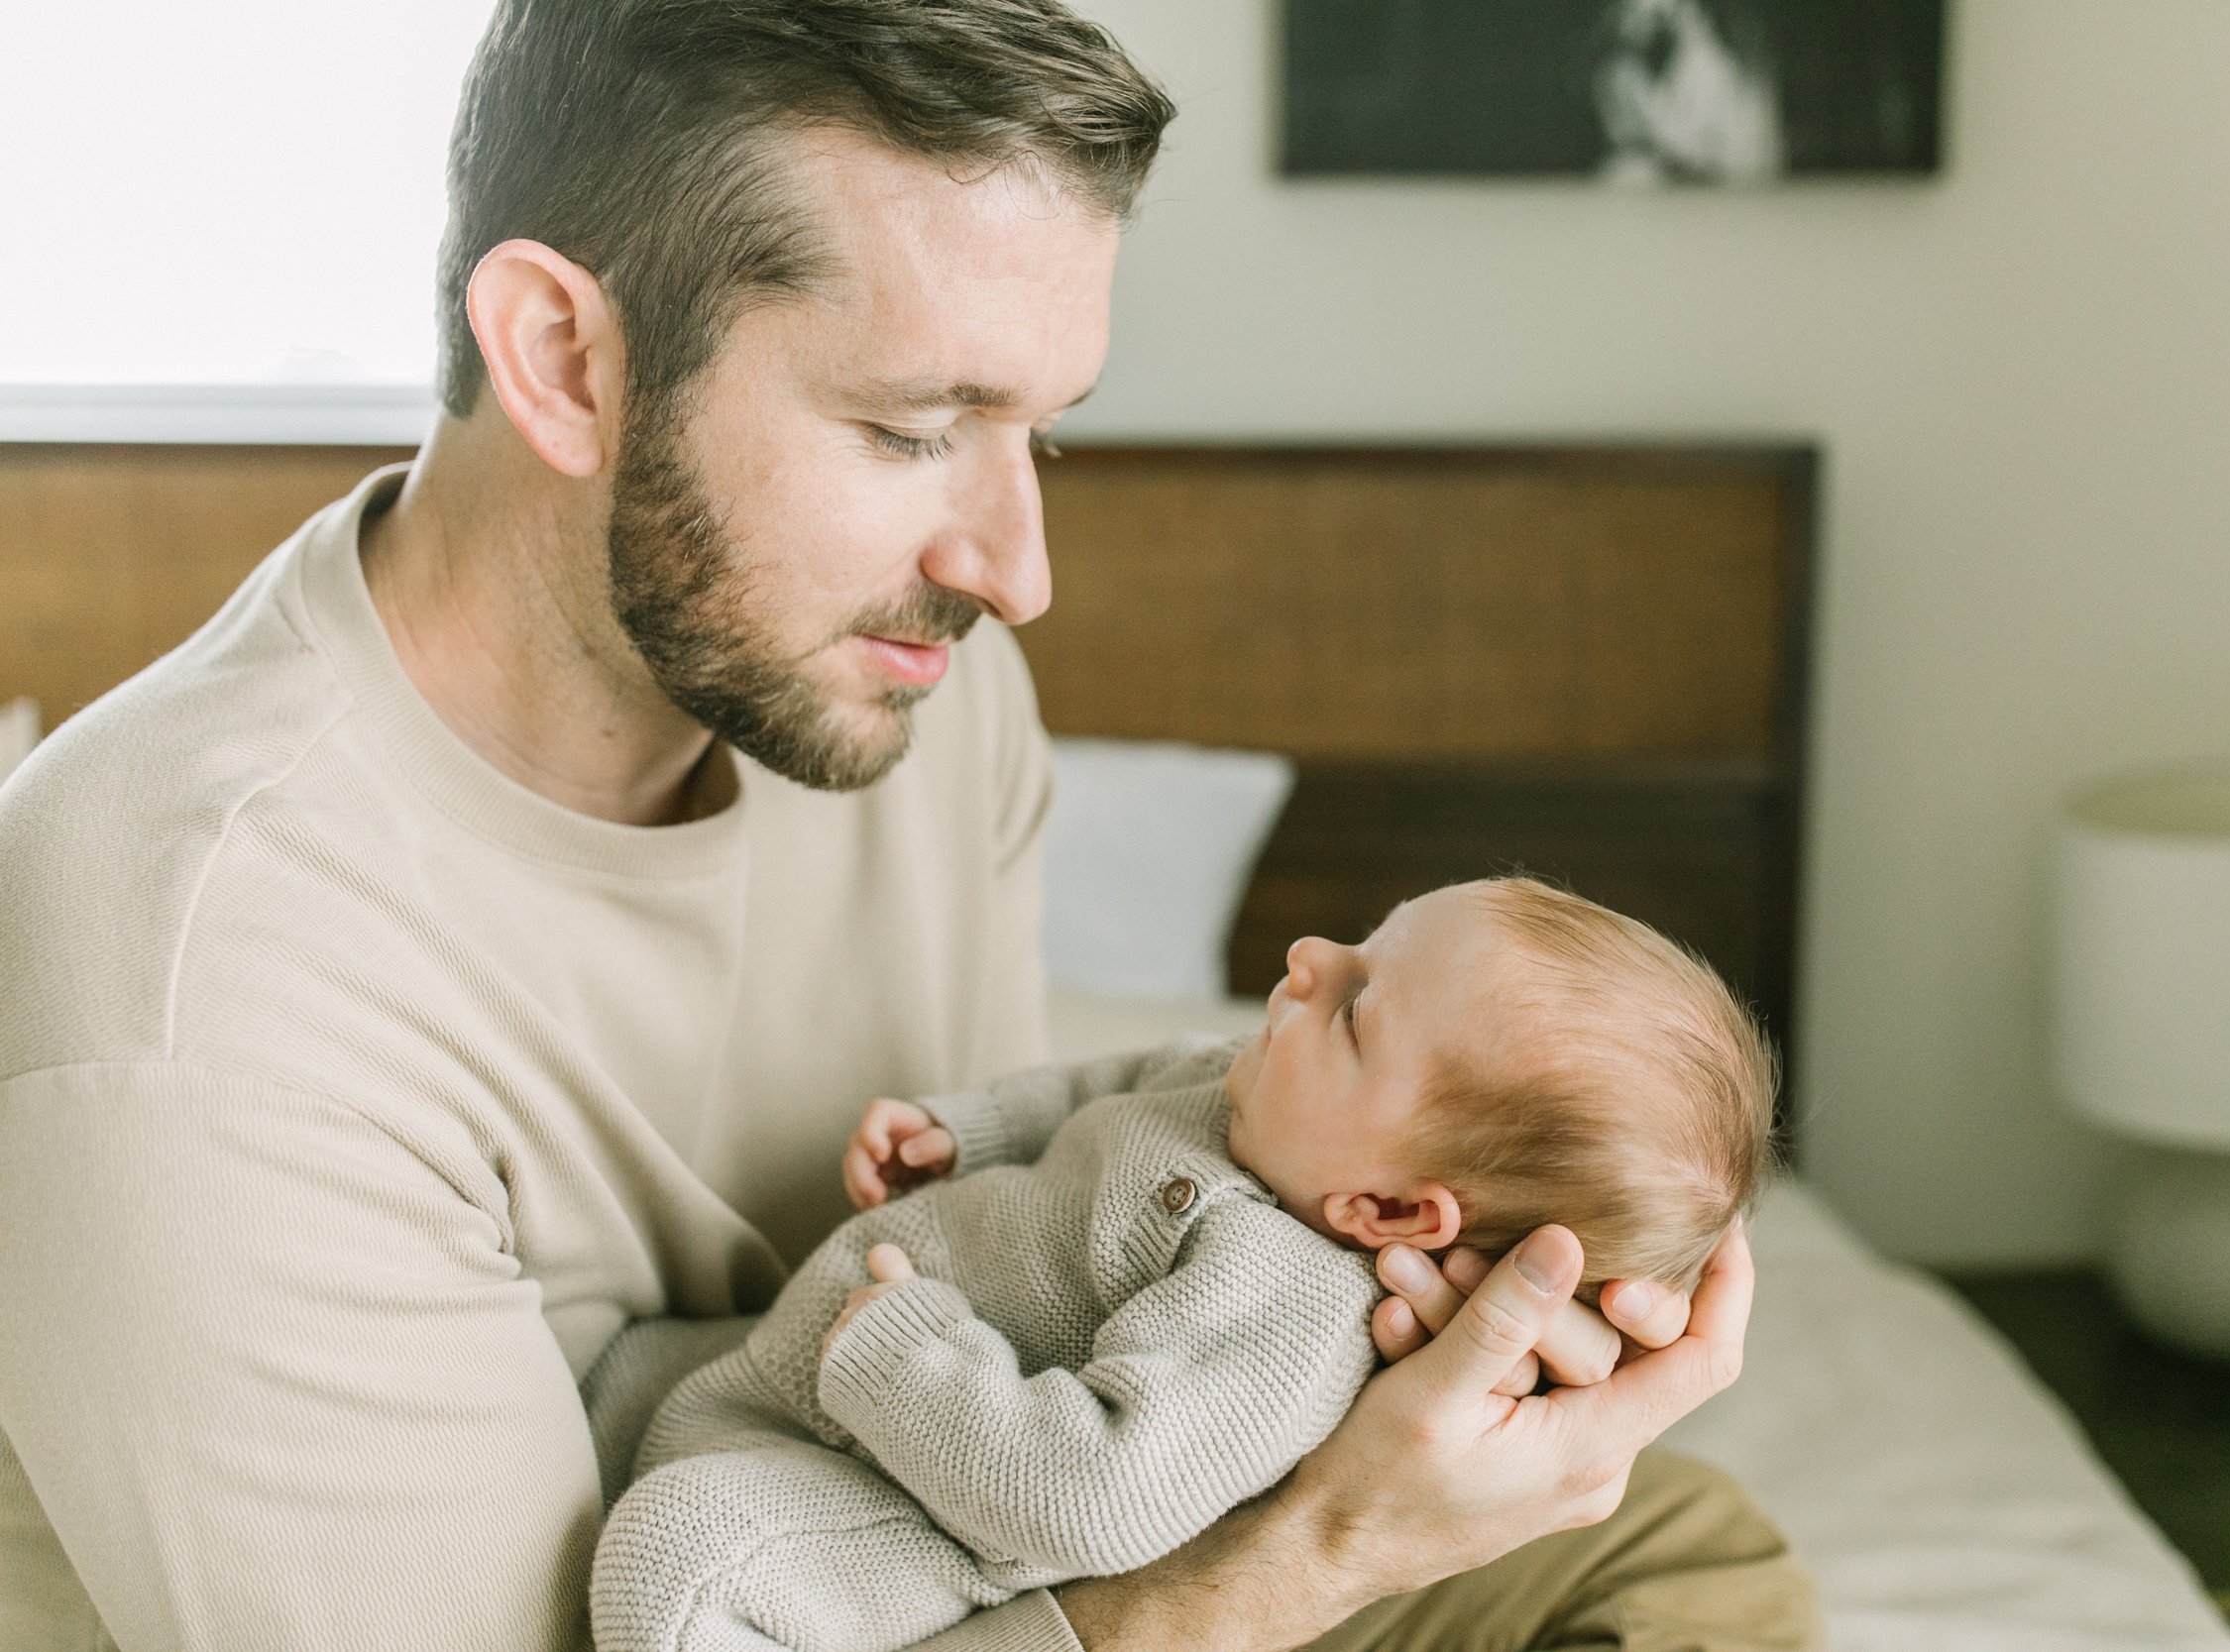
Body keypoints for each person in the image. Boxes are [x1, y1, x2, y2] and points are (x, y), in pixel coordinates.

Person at [0, 3, 1817, 1649]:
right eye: (912, 424)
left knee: (1683, 1561)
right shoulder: (196, 986)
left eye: (1043, 431)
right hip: (710, 1583)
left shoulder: (909, 689)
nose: (1015, 574)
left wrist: (1422, 1368)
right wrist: (1321, 1546)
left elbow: (1036, 1248)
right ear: (561, 355)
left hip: (938, 1498)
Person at [593, 878, 1784, 1652]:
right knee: (612, 1386)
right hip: (783, 1378)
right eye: (1360, 942)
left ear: (1386, 1207)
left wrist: (905, 1358)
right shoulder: (1267, 1096)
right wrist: (978, 1129)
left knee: (685, 1554)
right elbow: (1107, 1084)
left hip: (925, 1499)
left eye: (1359, 1004)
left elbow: (1089, 1492)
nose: (1309, 956)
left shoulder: (1286, 1309)